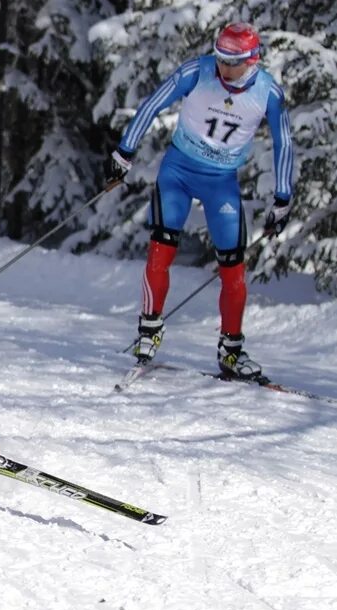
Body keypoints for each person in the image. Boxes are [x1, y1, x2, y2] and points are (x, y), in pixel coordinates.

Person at [105, 22, 294, 378]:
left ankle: (232, 351)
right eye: (220, 58)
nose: (223, 67)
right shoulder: (199, 70)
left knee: (233, 269)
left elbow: (285, 143)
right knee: (161, 250)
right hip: (178, 170)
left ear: (252, 61)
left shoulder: (268, 92)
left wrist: (282, 198)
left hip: (221, 182)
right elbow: (153, 104)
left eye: (232, 62)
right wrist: (123, 152)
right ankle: (149, 329)